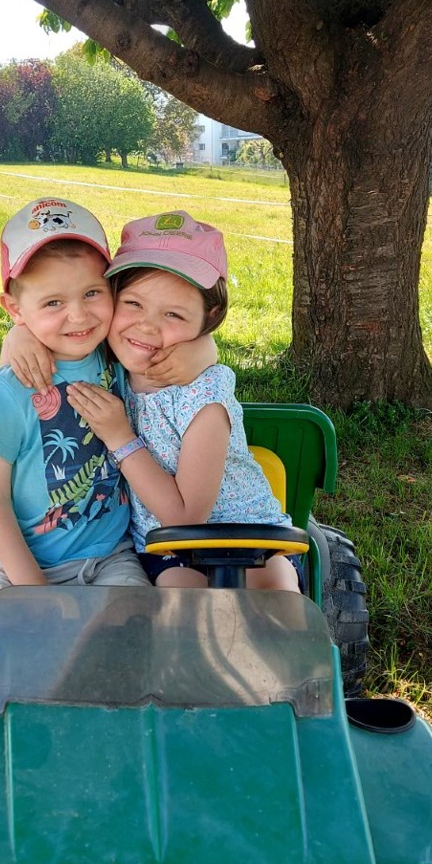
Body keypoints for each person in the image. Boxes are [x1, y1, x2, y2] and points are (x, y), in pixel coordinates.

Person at [66, 210, 301, 591]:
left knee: (275, 599)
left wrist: (120, 437)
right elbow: (53, 335)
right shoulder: (109, 366)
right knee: (182, 602)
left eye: (173, 314)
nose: (147, 326)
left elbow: (187, 516)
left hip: (252, 539)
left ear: (210, 317)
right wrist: (20, 338)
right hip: (167, 547)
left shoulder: (204, 397)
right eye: (133, 303)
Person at [0, 197, 150, 593]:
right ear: (14, 308)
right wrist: (34, 590)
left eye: (92, 293)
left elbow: (194, 345)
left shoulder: (119, 356)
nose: (79, 316)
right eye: (53, 302)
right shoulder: (6, 389)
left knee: (140, 628)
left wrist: (22, 329)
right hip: (20, 568)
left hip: (110, 558)